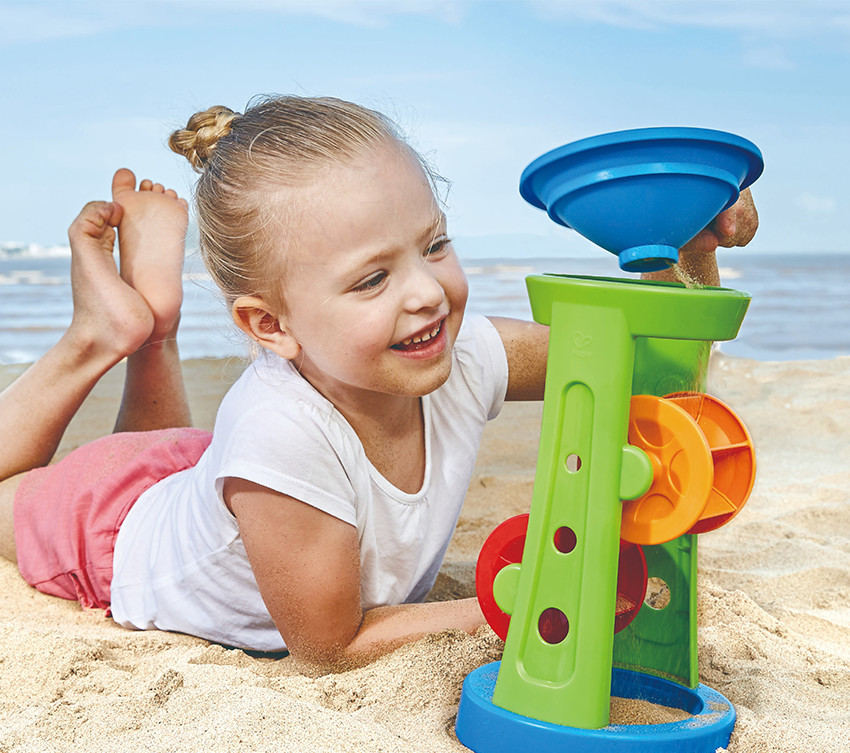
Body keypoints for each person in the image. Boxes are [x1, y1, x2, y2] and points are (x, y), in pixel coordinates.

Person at [0, 96, 758, 673]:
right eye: (371, 279)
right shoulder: (279, 435)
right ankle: (102, 333)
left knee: (166, 455)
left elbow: (635, 367)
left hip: (216, 484)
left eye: (434, 245)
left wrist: (683, 243)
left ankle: (153, 330)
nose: (426, 292)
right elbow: (332, 646)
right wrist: (514, 602)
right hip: (111, 529)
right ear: (271, 327)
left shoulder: (454, 355)